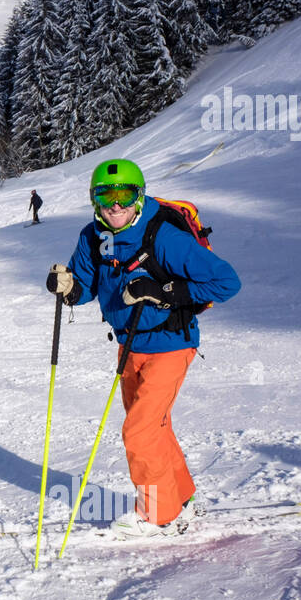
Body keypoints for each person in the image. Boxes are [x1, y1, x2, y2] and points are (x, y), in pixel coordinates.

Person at [45, 159, 240, 538]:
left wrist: (163, 292)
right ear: (93, 199)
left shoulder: (164, 236)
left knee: (140, 431)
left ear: (140, 195)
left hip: (170, 342)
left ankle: (158, 514)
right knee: (154, 426)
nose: (115, 205)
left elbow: (226, 282)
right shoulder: (91, 236)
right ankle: (181, 497)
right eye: (105, 195)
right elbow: (83, 285)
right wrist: (67, 288)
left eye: (124, 195)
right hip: (129, 345)